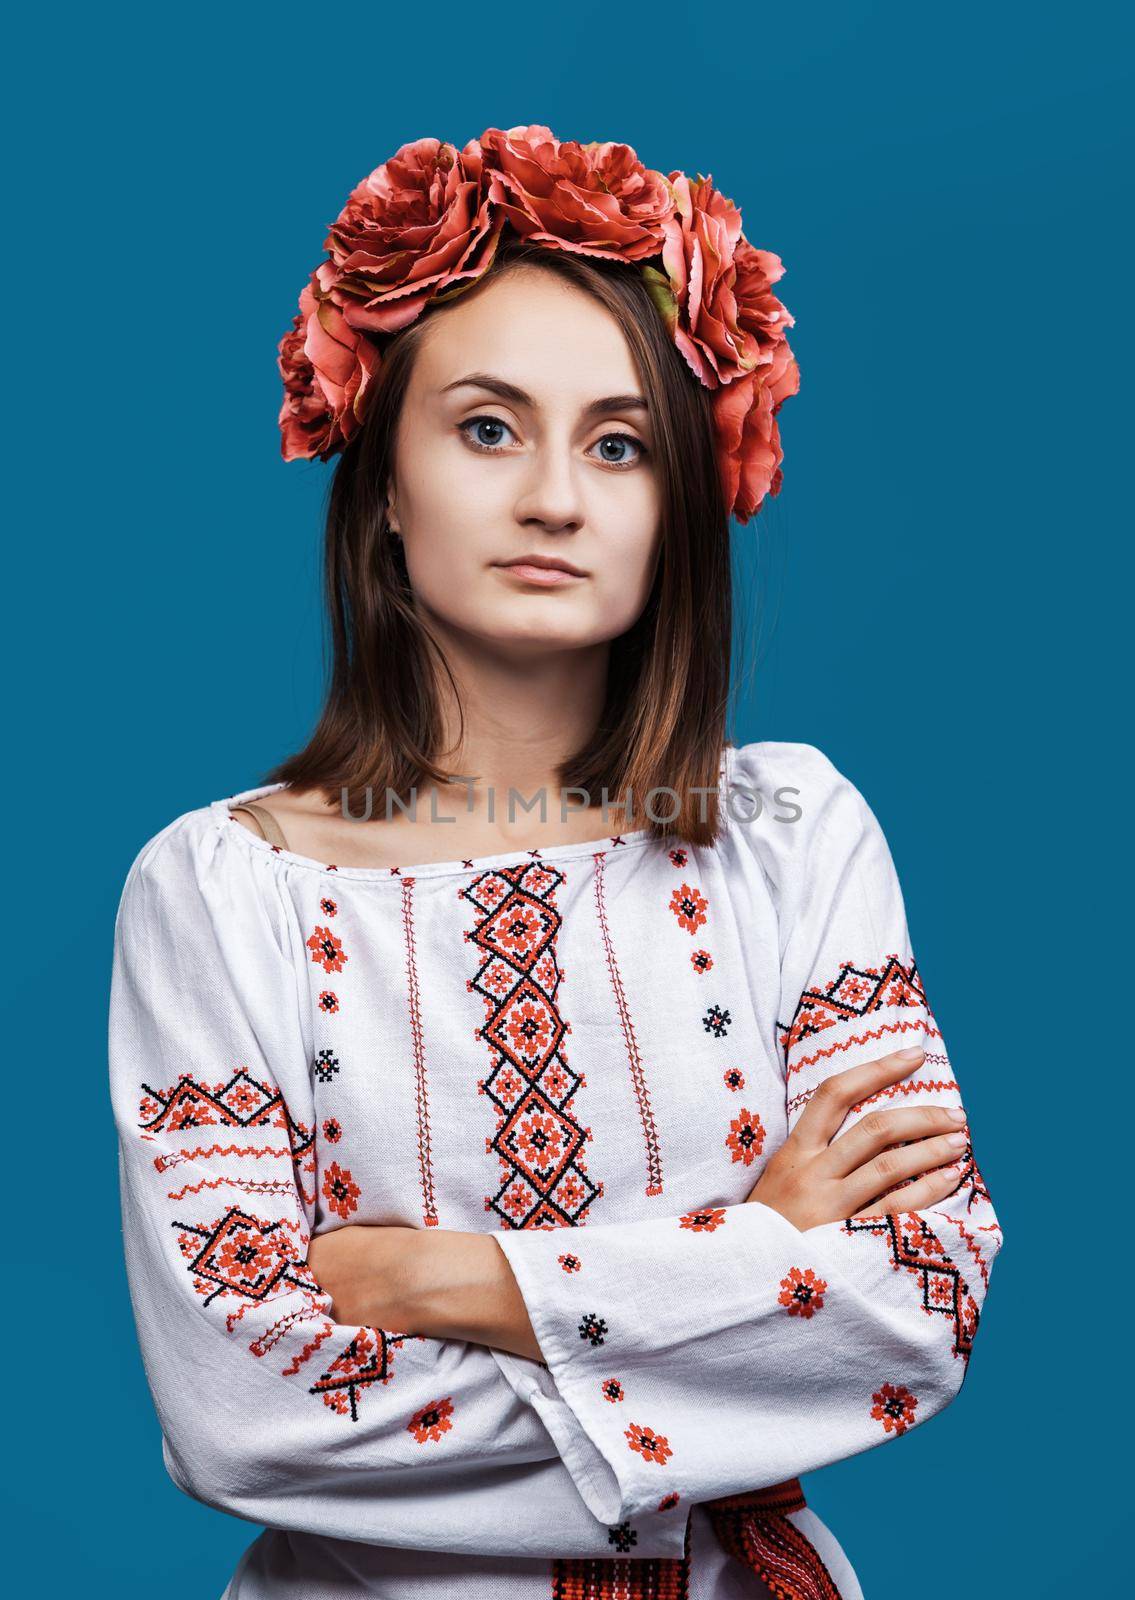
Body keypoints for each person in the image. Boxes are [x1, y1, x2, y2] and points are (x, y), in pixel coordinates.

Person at [108, 125, 1003, 1600]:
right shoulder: (223, 888)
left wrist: (437, 1281)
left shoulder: (789, 836)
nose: (555, 498)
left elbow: (915, 1306)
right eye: (486, 427)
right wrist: (754, 1257)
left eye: (617, 442)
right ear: (383, 479)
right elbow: (247, 1415)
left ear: (675, 503)